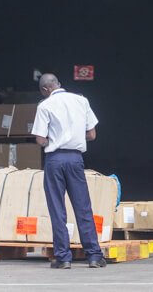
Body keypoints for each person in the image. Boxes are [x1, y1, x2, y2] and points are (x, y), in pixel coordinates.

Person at [31, 73, 106, 269]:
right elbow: (92, 134)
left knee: (57, 209)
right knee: (83, 207)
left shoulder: (44, 105)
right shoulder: (81, 100)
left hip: (55, 160)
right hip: (75, 159)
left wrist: (53, 141)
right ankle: (94, 256)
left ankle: (63, 258)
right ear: (58, 84)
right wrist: (74, 138)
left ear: (46, 90)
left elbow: (39, 138)